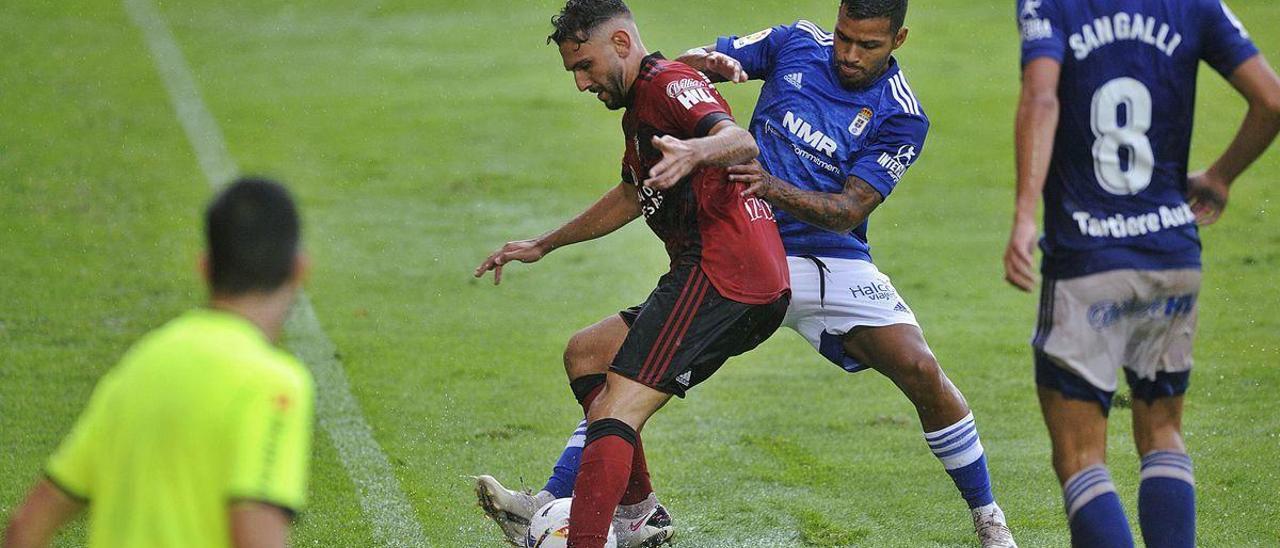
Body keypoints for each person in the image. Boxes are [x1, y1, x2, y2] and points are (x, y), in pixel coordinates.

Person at [478, 1, 1020, 547]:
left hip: (825, 259)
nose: (849, 55)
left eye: (868, 45)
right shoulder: (797, 42)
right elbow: (696, 66)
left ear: (897, 40)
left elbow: (850, 209)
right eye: (844, 38)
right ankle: (573, 504)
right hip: (743, 247)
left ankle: (989, 518)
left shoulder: (902, 116)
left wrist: (762, 181)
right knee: (611, 360)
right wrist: (708, 64)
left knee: (922, 370)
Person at [473, 2, 791, 546]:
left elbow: (740, 141)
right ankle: (639, 513)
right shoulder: (638, 109)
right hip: (714, 274)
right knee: (588, 353)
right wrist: (544, 245)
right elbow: (629, 195)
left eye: (585, 65)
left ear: (621, 43)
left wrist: (695, 150)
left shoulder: (668, 84)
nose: (580, 83)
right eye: (573, 70)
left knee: (618, 406)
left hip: (727, 276)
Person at [1007, 0, 1280, 545]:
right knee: (1163, 433)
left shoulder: (1049, 3)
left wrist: (1024, 212)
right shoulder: (1196, 4)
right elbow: (1272, 101)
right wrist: (1222, 177)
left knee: (1081, 457)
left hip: (1087, 259)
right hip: (1173, 256)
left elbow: (1041, 96)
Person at [4, 178, 315, 548]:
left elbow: (25, 527)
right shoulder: (271, 384)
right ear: (299, 269)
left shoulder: (140, 366)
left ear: (204, 267)